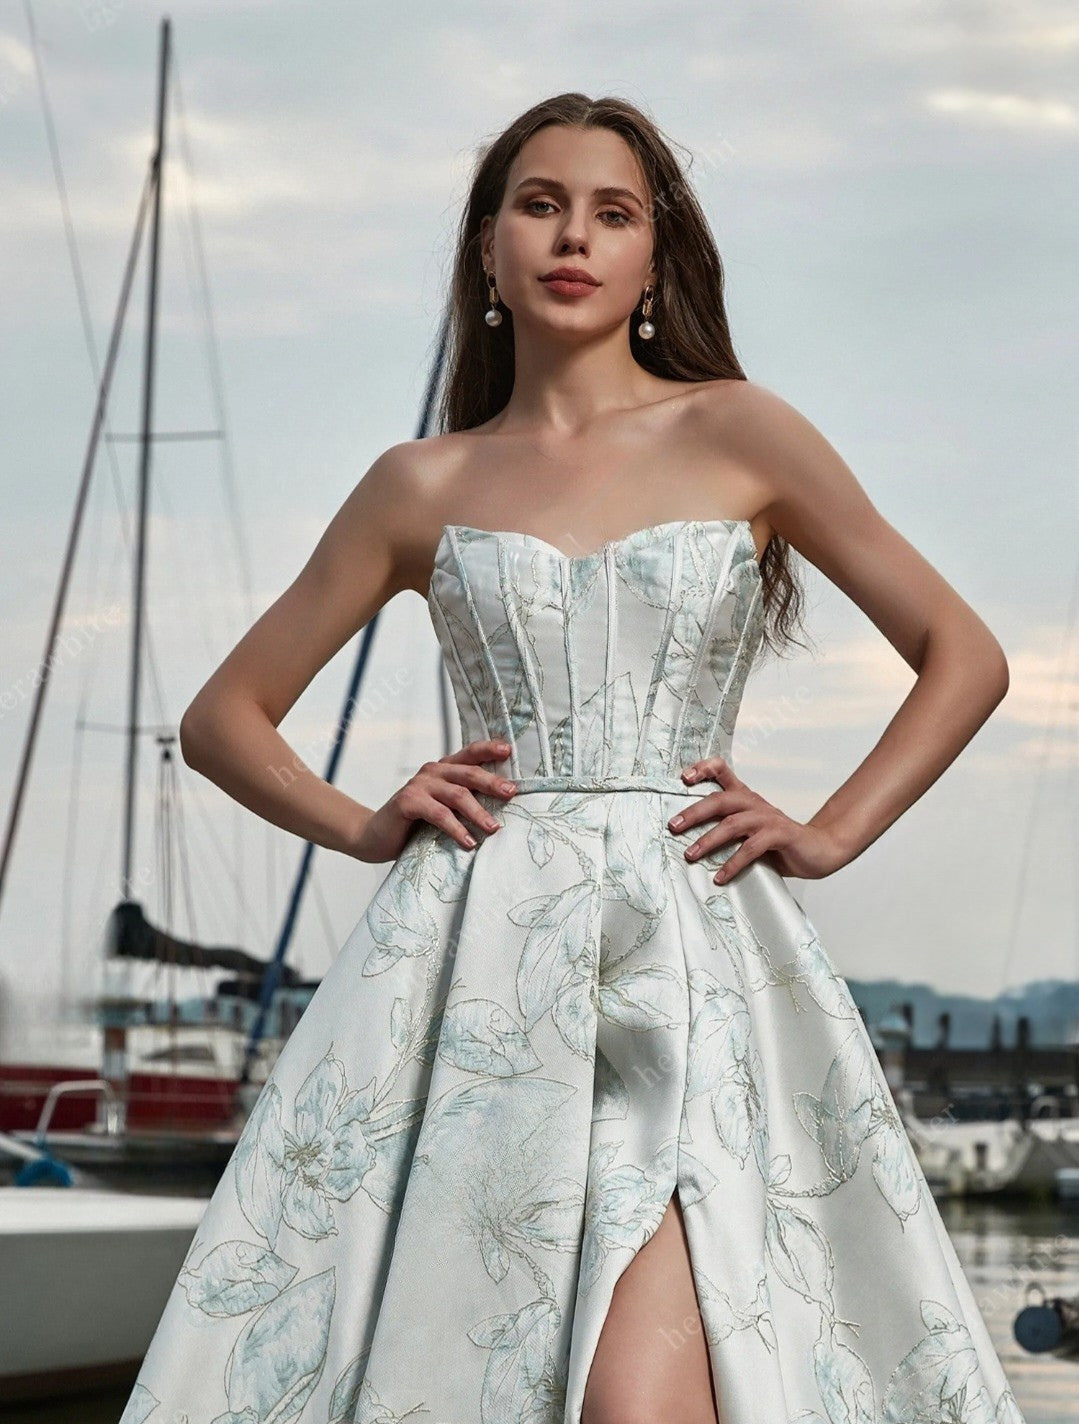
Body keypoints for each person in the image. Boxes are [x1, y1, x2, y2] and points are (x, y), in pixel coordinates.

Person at [118, 93, 1024, 1424]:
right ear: (488, 248)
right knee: (485, 1365)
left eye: (614, 213)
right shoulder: (418, 484)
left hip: (696, 942)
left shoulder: (742, 432)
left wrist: (831, 832)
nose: (574, 238)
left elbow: (966, 651)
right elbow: (222, 719)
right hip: (476, 959)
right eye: (540, 204)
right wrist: (368, 821)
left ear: (659, 258)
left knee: (641, 1398)